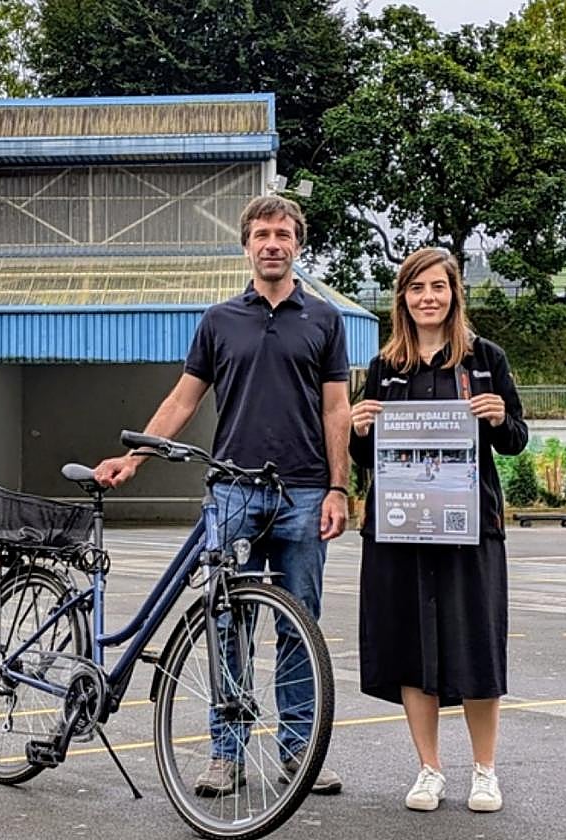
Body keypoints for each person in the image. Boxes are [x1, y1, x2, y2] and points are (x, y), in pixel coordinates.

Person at [93, 195, 350, 796]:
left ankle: (297, 753)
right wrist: (136, 456)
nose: (272, 244)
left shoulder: (324, 320)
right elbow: (183, 400)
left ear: (297, 245)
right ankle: (226, 755)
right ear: (246, 246)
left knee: (298, 627)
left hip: (305, 494)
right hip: (233, 491)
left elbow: (336, 409)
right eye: (262, 234)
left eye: (283, 234)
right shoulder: (218, 320)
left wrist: (340, 487)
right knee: (226, 621)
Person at [349, 248, 528, 813]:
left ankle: (485, 770)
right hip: (400, 528)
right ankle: (429, 769)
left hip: (471, 528)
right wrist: (357, 429)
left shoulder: (484, 359)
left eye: (439, 287)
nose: (428, 297)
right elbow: (365, 453)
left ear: (455, 294)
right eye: (417, 288)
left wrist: (500, 417)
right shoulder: (385, 367)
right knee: (410, 648)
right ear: (402, 297)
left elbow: (516, 439)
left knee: (475, 644)